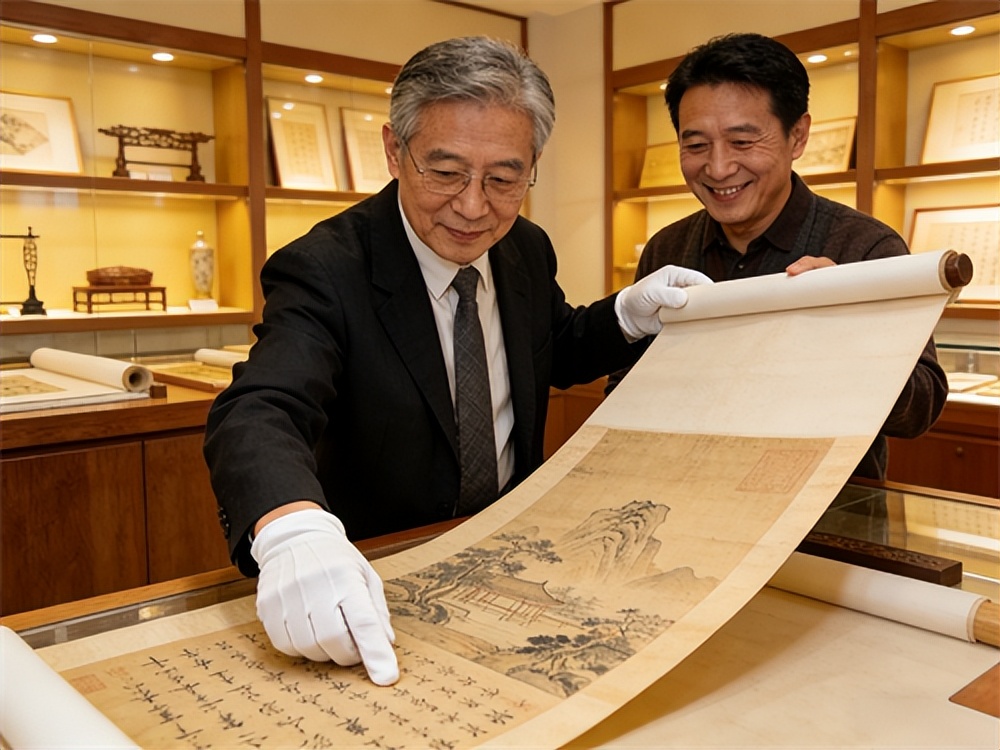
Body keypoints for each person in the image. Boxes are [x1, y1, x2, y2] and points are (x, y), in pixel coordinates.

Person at [204, 36, 709, 687]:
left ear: (532, 165)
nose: (473, 207)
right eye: (444, 173)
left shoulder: (525, 247)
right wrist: (291, 529)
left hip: (511, 556)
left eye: (503, 179)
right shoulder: (327, 266)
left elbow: (549, 349)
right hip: (378, 571)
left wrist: (624, 317)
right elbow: (261, 407)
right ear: (394, 150)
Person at [609, 32, 947, 481]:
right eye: (696, 145)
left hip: (826, 509)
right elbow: (624, 386)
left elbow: (919, 410)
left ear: (798, 136)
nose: (719, 168)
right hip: (688, 493)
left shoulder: (866, 247)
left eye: (742, 142)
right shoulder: (667, 249)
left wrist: (849, 333)